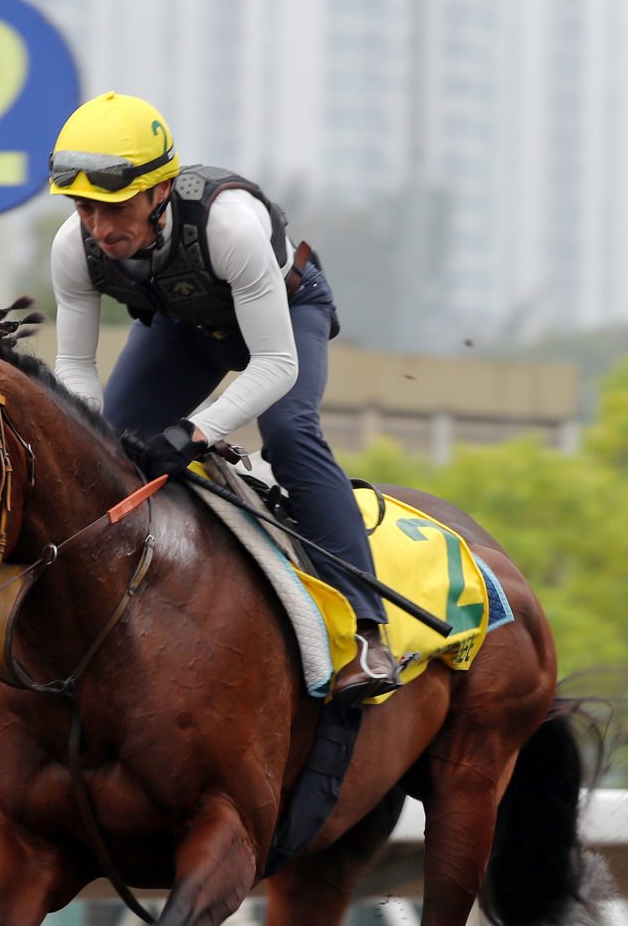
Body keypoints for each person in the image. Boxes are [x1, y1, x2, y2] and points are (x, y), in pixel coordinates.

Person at [45, 91, 400, 706]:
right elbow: (75, 365)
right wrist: (92, 439)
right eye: (83, 208)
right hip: (186, 328)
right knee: (110, 455)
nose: (100, 230)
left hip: (283, 319)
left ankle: (368, 631)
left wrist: (195, 431)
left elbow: (275, 365)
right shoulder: (71, 249)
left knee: (289, 436)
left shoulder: (228, 225)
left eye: (115, 208)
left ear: (159, 192)